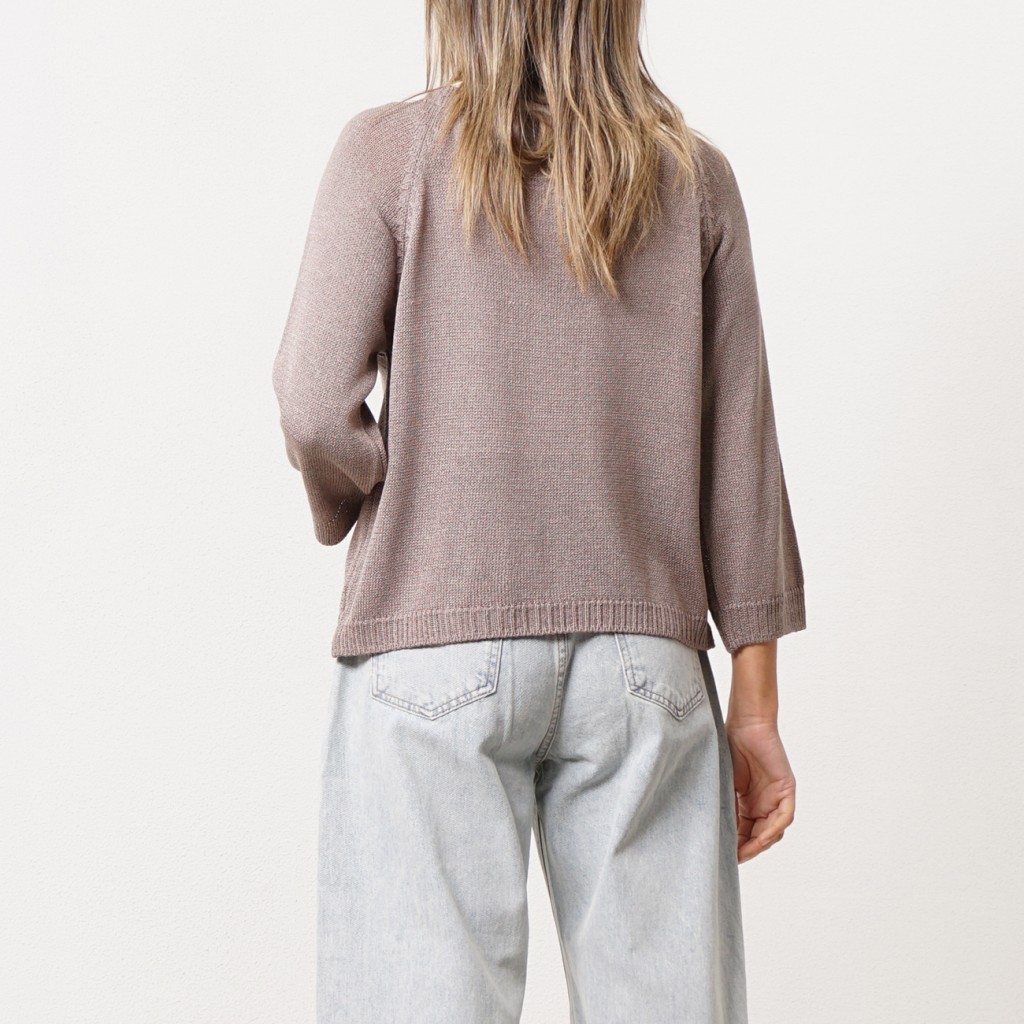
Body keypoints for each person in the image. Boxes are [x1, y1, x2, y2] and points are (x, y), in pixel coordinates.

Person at [272, 2, 807, 1021]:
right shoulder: (695, 179)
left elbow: (310, 404)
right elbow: (741, 454)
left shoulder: (386, 155)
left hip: (429, 640)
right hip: (643, 662)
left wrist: (379, 489)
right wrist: (755, 709)